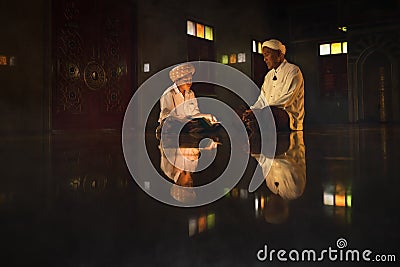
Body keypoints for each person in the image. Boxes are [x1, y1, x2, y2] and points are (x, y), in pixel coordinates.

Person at [243, 39, 305, 132]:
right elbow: (262, 100)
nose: (265, 59)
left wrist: (259, 112)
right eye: (263, 56)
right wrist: (252, 110)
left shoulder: (293, 70)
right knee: (243, 112)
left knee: (269, 113)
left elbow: (285, 100)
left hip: (287, 117)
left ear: (279, 54)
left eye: (267, 54)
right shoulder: (269, 76)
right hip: (267, 112)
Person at [157, 63, 219, 135]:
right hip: (173, 125)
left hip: (188, 123)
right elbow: (168, 116)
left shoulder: (191, 93)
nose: (189, 83)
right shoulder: (169, 93)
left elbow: (194, 113)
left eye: (190, 80)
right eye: (186, 80)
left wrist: (206, 116)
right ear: (177, 81)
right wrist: (185, 120)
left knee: (207, 124)